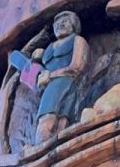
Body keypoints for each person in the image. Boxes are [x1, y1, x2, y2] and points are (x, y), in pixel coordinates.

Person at [34, 11, 89, 143]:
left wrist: (50, 76)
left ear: (74, 24)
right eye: (57, 24)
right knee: (45, 126)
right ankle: (43, 155)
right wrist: (36, 61)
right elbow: (39, 73)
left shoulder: (77, 40)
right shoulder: (48, 49)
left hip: (66, 84)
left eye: (64, 22)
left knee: (57, 125)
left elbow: (77, 67)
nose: (60, 25)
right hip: (47, 89)